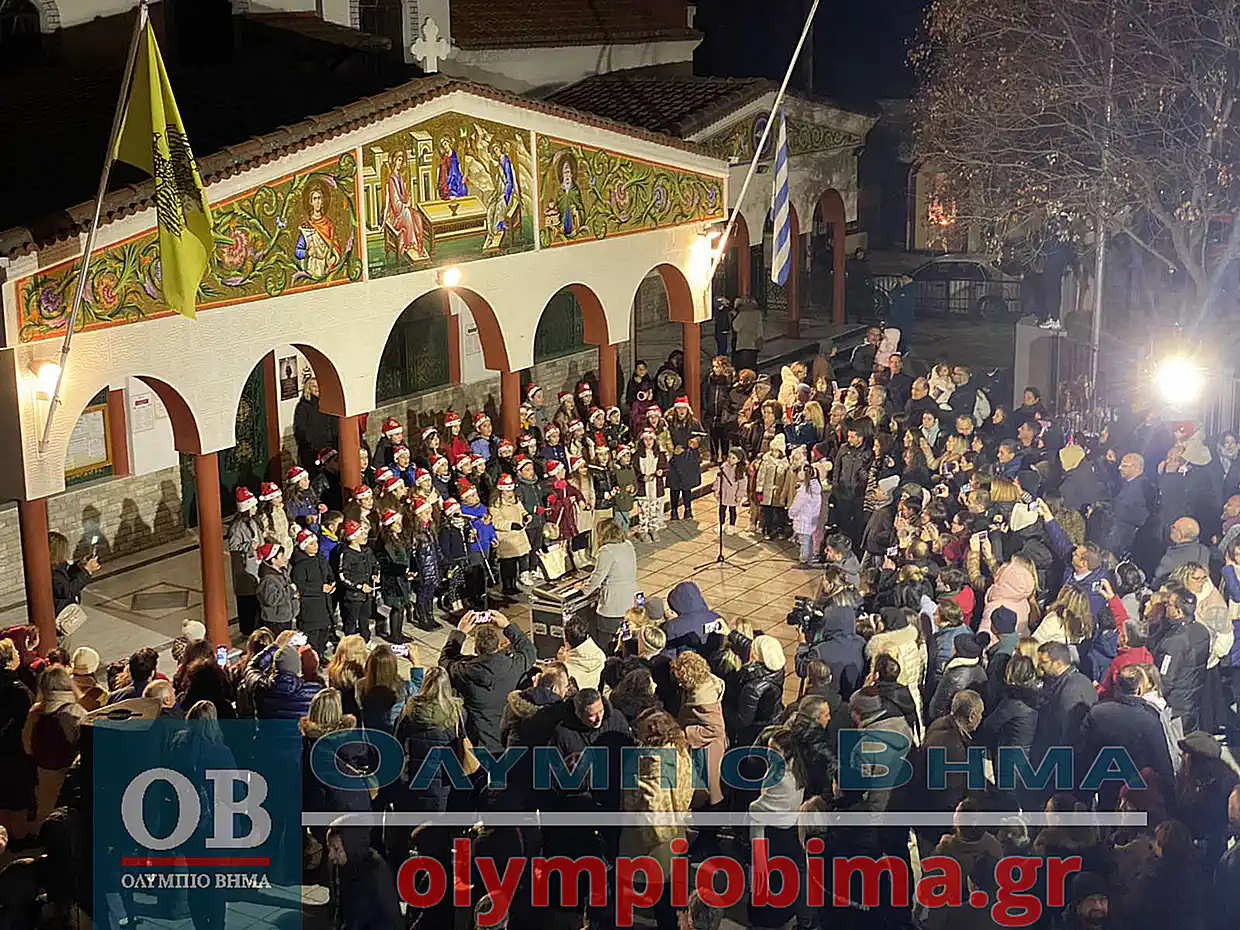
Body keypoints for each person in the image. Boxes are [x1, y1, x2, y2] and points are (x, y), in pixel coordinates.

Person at [1076, 664, 1175, 810]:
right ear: (1140, 689)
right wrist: (1170, 799)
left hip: (1105, 788)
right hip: (1137, 796)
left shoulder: (1097, 712)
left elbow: (1083, 753)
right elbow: (1161, 763)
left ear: (1117, 687)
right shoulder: (1149, 719)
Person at [438, 610, 536, 752]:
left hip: (477, 742)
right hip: (505, 739)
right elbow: (529, 651)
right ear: (498, 645)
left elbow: (445, 660)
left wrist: (460, 632)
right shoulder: (513, 666)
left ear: (476, 649)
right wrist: (507, 626)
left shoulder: (463, 671)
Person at [21, 666, 83, 824]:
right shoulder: (76, 711)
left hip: (43, 770)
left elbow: (27, 744)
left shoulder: (35, 711)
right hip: (69, 773)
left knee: (44, 809)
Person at [578, 518, 638, 648]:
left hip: (612, 605)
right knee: (625, 641)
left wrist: (583, 588)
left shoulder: (606, 551)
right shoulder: (628, 545)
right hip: (629, 601)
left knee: (606, 643)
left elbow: (597, 577)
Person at [293, 375, 338, 472]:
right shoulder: (303, 406)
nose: (317, 389)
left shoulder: (327, 403)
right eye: (314, 386)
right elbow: (300, 429)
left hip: (330, 447)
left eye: (319, 386)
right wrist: (309, 446)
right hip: (312, 451)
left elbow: (334, 424)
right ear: (308, 389)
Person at [49, 531, 97, 617]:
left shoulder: (58, 565)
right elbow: (67, 591)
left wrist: (78, 566)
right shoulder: (53, 571)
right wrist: (87, 571)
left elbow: (66, 576)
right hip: (60, 614)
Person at [255, 543, 298, 634]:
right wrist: (290, 590)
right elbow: (271, 600)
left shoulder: (282, 573)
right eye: (281, 556)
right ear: (273, 560)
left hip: (286, 617)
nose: (285, 558)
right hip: (276, 621)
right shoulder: (268, 579)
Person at [557, 613, 605, 691]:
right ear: (587, 636)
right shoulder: (601, 655)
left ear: (566, 642)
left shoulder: (564, 672)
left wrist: (560, 662)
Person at [732, 297, 763, 372]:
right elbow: (760, 328)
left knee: (744, 367)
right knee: (753, 365)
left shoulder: (743, 314)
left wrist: (734, 316)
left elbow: (736, 327)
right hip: (755, 344)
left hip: (744, 344)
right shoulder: (758, 313)